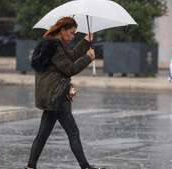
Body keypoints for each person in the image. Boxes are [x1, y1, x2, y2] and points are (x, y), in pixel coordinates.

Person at [25, 17, 105, 169]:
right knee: (72, 132)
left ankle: (30, 166)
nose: (73, 36)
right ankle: (85, 167)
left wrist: (86, 41)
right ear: (62, 30)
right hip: (57, 96)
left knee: (43, 134)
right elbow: (70, 69)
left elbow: (71, 56)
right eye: (71, 33)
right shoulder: (54, 46)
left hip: (51, 95)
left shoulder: (51, 44)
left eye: (75, 34)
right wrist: (88, 58)